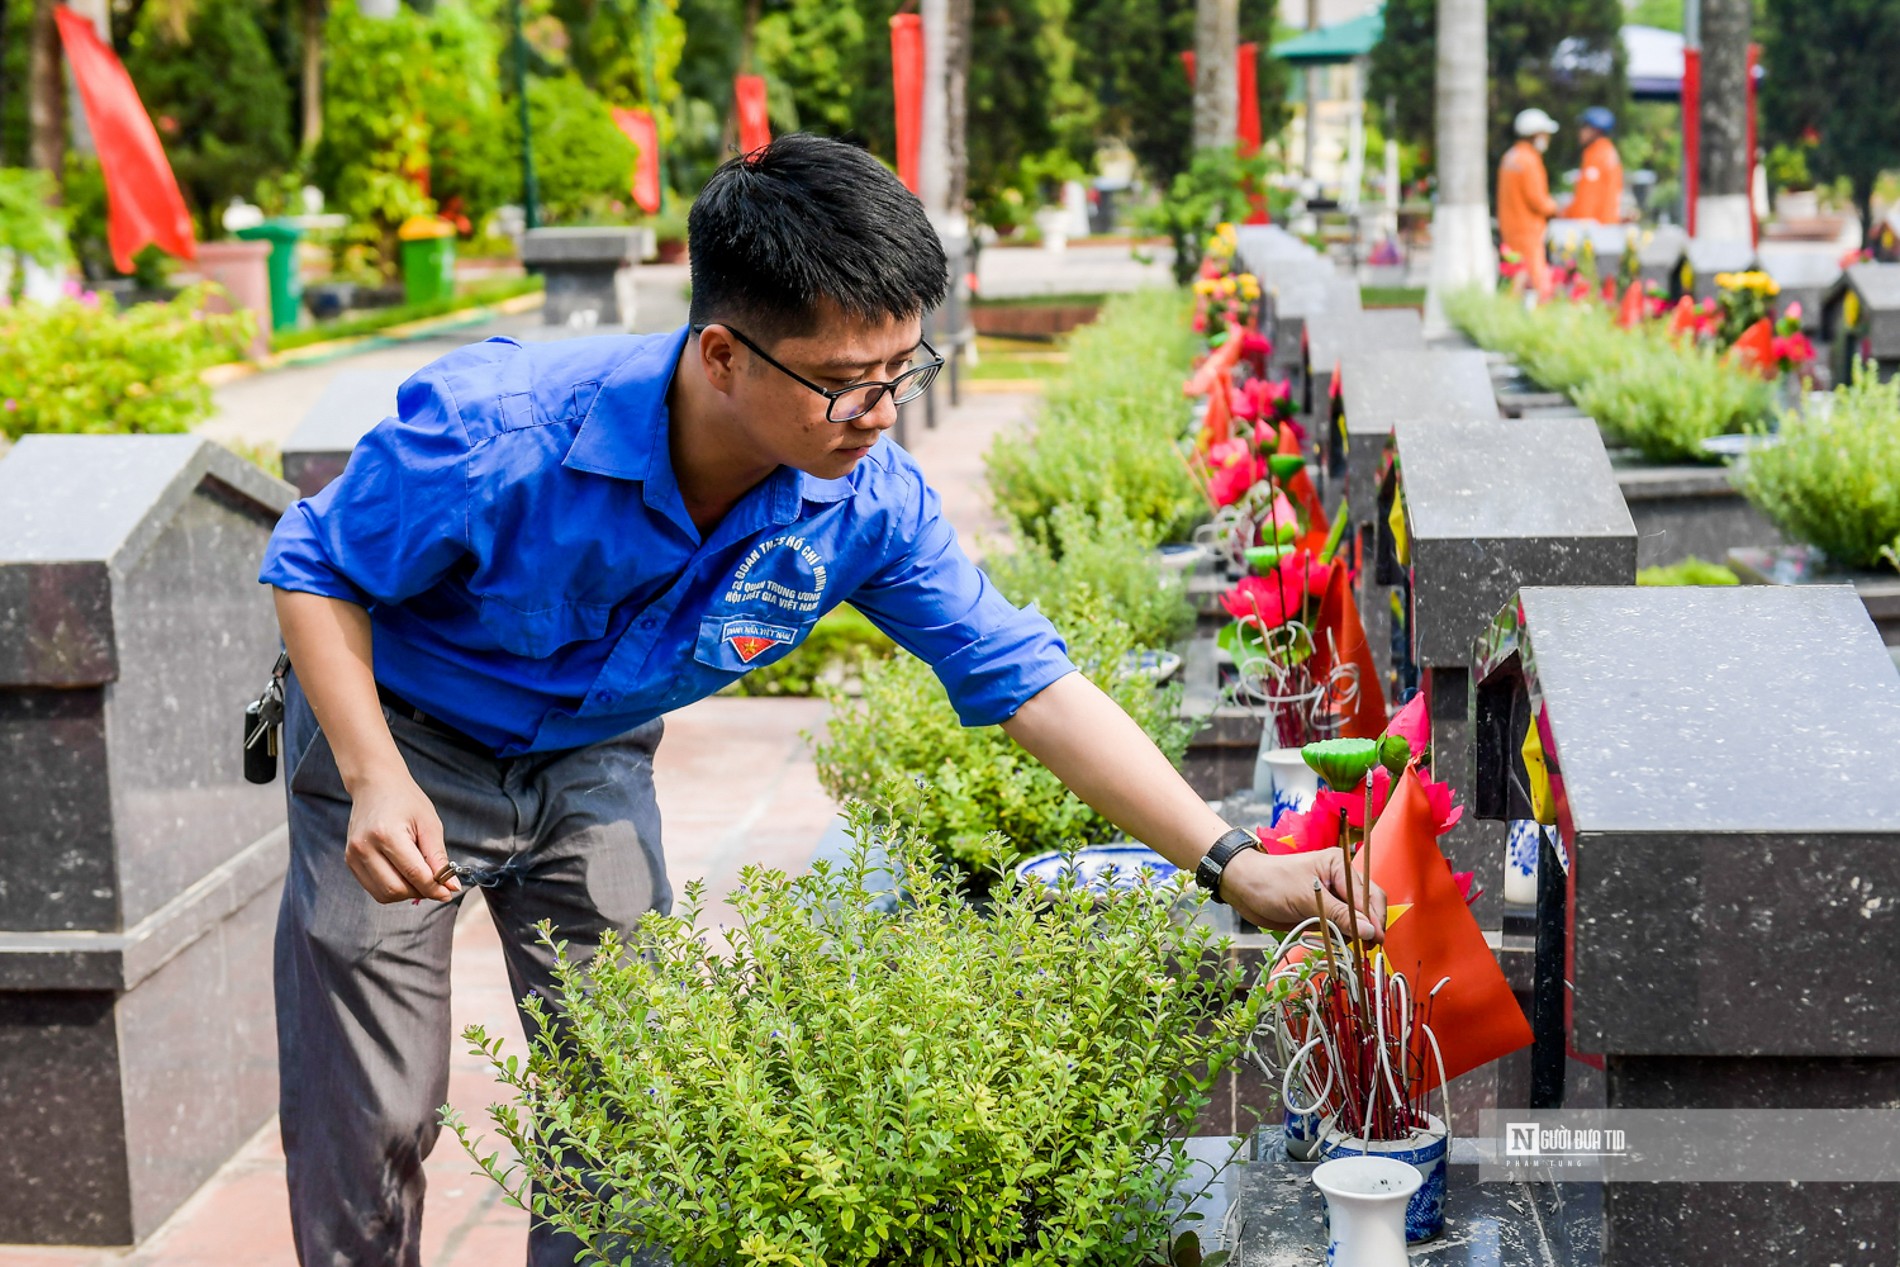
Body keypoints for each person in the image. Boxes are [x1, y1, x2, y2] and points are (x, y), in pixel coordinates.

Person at [259, 133, 1386, 1267]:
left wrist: (1233, 863)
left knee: (636, 1106)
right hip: (400, 742)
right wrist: (370, 774)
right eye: (846, 382)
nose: (882, 410)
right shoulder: (501, 429)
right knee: (378, 1111)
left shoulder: (864, 505)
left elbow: (1027, 678)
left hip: (588, 758)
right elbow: (313, 568)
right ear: (721, 354)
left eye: (902, 369)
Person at [1498, 107, 1561, 296]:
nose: (1547, 139)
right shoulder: (1529, 161)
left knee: (1515, 277)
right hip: (1528, 232)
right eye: (1545, 134)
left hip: (1510, 229)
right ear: (1536, 135)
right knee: (1534, 283)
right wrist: (1556, 207)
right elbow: (1538, 200)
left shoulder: (1510, 157)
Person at [1563, 106, 1624, 224]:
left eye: (1583, 127)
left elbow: (1588, 199)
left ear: (1596, 131)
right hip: (1603, 225)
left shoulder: (1598, 155)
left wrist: (1577, 223)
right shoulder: (1604, 151)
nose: (1579, 132)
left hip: (1595, 228)